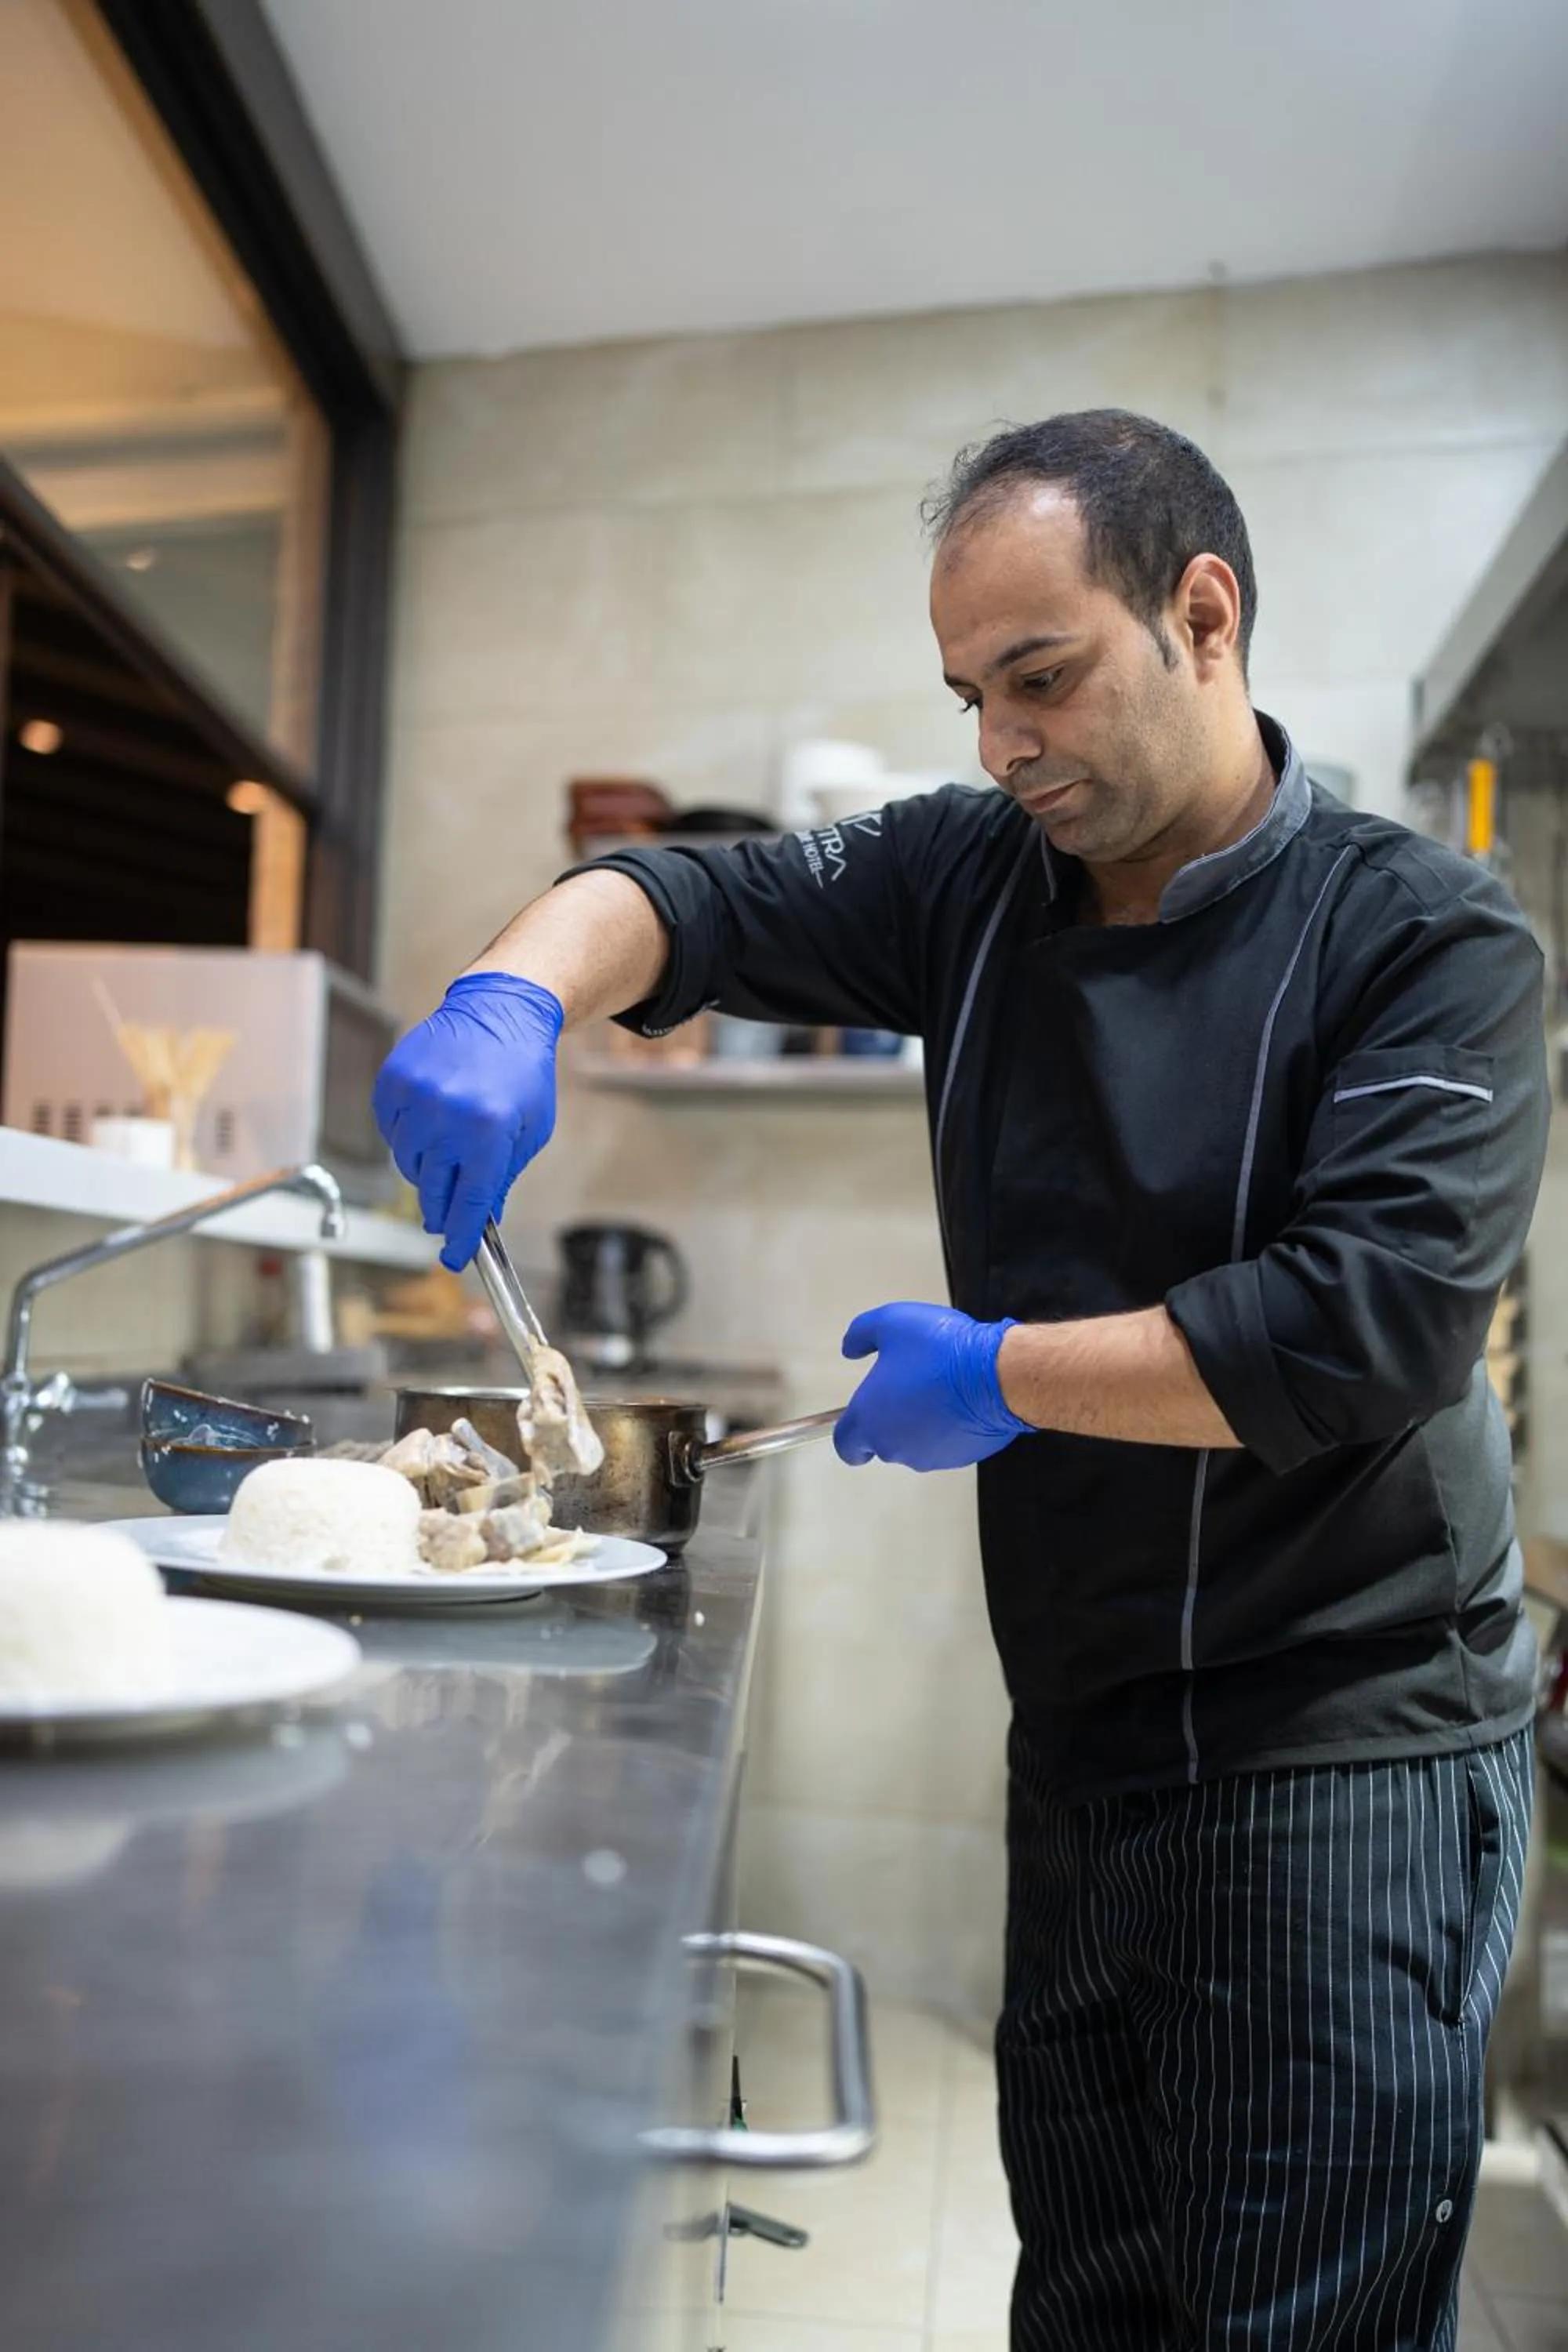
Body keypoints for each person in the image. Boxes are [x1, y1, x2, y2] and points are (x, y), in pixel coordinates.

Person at [374, 409, 1548, 2350]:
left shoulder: (1424, 936)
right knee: (1088, 2298)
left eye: (1041, 677)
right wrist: (512, 993)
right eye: (967, 695)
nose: (1001, 743)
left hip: (1344, 1744)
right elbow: (685, 896)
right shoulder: (973, 877)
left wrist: (1007, 1372)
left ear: (1201, 614)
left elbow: (1368, 1326)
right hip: (1082, 1732)